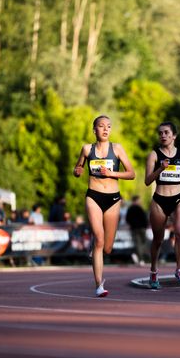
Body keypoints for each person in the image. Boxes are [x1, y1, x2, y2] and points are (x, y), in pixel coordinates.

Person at [73, 115, 135, 297]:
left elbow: (131, 174)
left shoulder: (117, 149)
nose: (105, 129)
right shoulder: (86, 149)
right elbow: (78, 168)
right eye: (101, 126)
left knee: (107, 247)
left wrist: (112, 173)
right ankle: (99, 285)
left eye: (108, 126)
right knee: (99, 239)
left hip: (113, 198)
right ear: (95, 130)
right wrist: (77, 171)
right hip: (93, 196)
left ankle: (96, 246)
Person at [145, 121, 180, 289]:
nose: (163, 136)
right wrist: (160, 169)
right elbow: (147, 181)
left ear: (174, 136)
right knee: (158, 239)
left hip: (178, 198)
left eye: (166, 133)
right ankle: (153, 272)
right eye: (160, 133)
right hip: (159, 200)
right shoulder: (154, 155)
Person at [126, 195, 149, 265]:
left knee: (140, 243)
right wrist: (145, 225)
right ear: (135, 201)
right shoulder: (138, 208)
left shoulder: (131, 209)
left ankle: (139, 256)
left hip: (137, 228)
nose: (140, 202)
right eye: (139, 200)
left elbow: (128, 219)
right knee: (140, 243)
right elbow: (144, 218)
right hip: (139, 228)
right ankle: (141, 258)